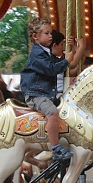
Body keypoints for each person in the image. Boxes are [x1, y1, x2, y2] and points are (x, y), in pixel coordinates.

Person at [20, 17, 76, 160]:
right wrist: (66, 61)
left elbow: (57, 62)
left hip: (45, 92)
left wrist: (71, 52)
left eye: (51, 33)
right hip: (36, 94)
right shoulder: (37, 54)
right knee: (52, 112)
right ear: (35, 37)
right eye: (46, 33)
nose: (50, 36)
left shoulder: (46, 52)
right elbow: (52, 69)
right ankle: (56, 147)